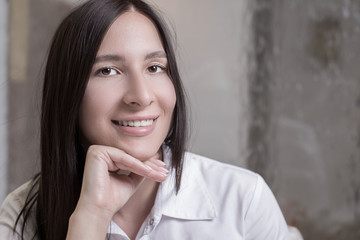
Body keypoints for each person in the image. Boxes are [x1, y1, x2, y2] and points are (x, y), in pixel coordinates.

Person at [0, 0, 289, 239]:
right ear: (69, 93)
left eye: (154, 67)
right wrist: (92, 215)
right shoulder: (22, 214)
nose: (141, 96)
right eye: (108, 71)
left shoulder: (243, 201)